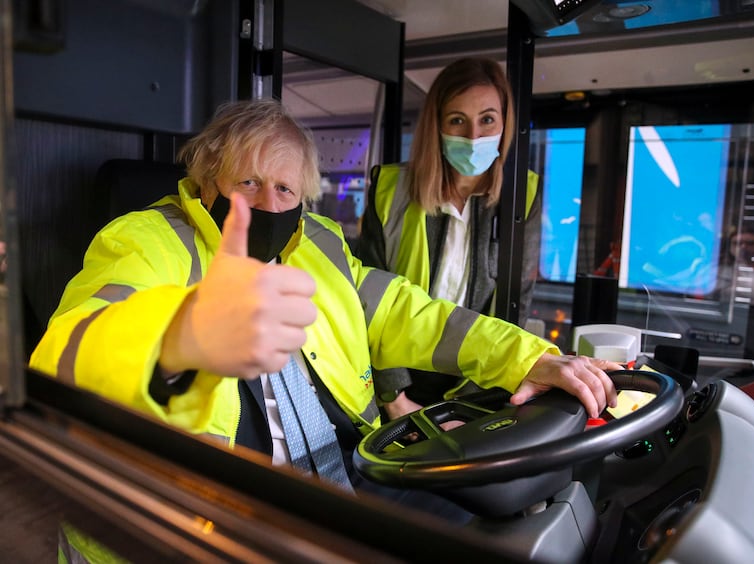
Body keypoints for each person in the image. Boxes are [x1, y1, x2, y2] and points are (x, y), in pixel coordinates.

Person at [30, 98, 617, 519]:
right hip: (209, 507)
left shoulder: (320, 245)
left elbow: (409, 313)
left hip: (344, 475)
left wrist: (528, 359)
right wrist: (180, 336)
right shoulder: (145, 241)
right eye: (248, 183)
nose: (268, 202)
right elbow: (66, 353)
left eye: (285, 190)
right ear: (208, 179)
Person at [356, 57, 541, 416]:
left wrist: (467, 405)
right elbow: (369, 297)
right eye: (457, 120)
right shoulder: (389, 189)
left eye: (487, 119)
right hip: (397, 383)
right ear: (436, 126)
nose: (474, 137)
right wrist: (393, 398)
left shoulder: (523, 196)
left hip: (477, 387)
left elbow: (515, 304)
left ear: (505, 123)